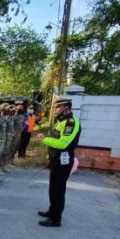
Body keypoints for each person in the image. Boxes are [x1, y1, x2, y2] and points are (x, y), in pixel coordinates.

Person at [37, 97, 81, 227]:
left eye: (57, 107)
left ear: (66, 108)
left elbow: (62, 143)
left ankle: (56, 219)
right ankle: (52, 211)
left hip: (64, 161)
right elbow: (55, 137)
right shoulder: (60, 121)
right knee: (53, 188)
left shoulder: (71, 123)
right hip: (56, 159)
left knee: (58, 189)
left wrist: (44, 139)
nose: (55, 109)